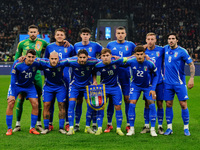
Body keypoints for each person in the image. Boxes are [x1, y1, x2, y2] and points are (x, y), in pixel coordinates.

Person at [13, 25, 48, 132]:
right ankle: (17, 124)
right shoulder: (22, 44)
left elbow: (50, 50)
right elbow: (16, 58)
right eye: (31, 32)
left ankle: (38, 123)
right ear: (28, 33)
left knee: (38, 99)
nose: (33, 33)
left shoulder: (43, 43)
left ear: (38, 33)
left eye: (35, 32)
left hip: (36, 74)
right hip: (23, 74)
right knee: (21, 98)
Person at [163, 33, 195, 136]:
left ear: (177, 40)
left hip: (179, 83)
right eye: (169, 38)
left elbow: (191, 64)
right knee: (168, 104)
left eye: (173, 38)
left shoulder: (182, 51)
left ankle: (186, 128)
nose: (171, 40)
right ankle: (169, 128)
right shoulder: (165, 49)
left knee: (183, 104)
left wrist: (191, 78)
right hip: (167, 83)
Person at [105, 26, 136, 133]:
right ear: (115, 34)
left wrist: (123, 59)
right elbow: (106, 56)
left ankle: (128, 124)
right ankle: (109, 124)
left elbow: (136, 55)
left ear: (125, 34)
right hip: (113, 76)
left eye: (122, 33)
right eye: (118, 33)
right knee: (111, 100)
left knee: (127, 99)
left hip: (125, 75)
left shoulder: (130, 45)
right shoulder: (110, 45)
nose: (120, 35)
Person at [44, 28, 75, 132]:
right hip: (52, 78)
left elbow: (74, 61)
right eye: (58, 34)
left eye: (62, 34)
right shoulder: (49, 47)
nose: (60, 36)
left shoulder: (70, 47)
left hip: (66, 78)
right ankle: (50, 123)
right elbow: (45, 62)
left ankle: (66, 123)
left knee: (64, 101)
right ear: (55, 36)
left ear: (64, 36)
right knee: (50, 101)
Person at [73, 27, 103, 132]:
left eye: (87, 34)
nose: (85, 36)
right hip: (78, 78)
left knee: (92, 102)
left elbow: (104, 53)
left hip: (91, 78)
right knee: (79, 101)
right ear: (80, 35)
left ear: (90, 36)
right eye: (83, 34)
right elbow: (72, 58)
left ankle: (93, 124)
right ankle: (76, 124)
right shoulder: (76, 46)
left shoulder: (95, 45)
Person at [93, 48, 128, 136]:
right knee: (101, 107)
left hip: (115, 87)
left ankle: (118, 128)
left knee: (118, 107)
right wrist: (94, 80)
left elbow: (127, 59)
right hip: (103, 88)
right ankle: (99, 128)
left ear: (110, 56)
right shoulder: (98, 65)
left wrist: (119, 57)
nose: (105, 58)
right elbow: (93, 71)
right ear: (101, 57)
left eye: (107, 56)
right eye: (104, 56)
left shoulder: (116, 62)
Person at [6, 49, 41, 135]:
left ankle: (32, 128)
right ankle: (9, 128)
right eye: (29, 57)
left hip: (29, 86)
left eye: (33, 57)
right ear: (25, 56)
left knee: (36, 104)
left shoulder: (36, 63)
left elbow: (48, 62)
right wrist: (13, 94)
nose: (31, 59)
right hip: (17, 85)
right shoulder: (18, 63)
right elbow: (13, 80)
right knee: (11, 102)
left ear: (35, 57)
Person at [126, 45, 158, 137]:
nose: (139, 56)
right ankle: (132, 129)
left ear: (144, 54)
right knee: (131, 104)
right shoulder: (131, 61)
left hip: (148, 87)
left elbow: (156, 75)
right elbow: (121, 62)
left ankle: (152, 129)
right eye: (137, 54)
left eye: (141, 54)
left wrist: (153, 88)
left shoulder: (150, 63)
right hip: (135, 86)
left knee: (152, 104)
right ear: (135, 55)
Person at [65, 49, 99, 135]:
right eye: (80, 57)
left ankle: (87, 127)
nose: (82, 59)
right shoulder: (72, 61)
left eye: (84, 57)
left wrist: (94, 80)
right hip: (74, 86)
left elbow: (103, 62)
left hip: (87, 86)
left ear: (88, 57)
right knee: (72, 104)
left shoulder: (92, 61)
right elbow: (60, 61)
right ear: (77, 57)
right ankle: (71, 128)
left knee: (90, 105)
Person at [39, 51, 70, 134]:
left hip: (60, 87)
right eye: (52, 59)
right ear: (49, 58)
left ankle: (61, 128)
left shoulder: (62, 63)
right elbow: (33, 59)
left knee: (62, 105)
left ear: (58, 59)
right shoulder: (44, 62)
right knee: (46, 105)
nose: (53, 61)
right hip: (48, 87)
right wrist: (22, 58)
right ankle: (46, 128)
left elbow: (73, 59)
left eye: (55, 59)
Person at [140, 33, 165, 135]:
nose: (150, 41)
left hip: (159, 82)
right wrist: (142, 48)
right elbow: (134, 55)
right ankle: (146, 126)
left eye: (152, 39)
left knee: (159, 103)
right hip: (147, 82)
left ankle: (160, 126)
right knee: (147, 103)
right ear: (146, 40)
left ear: (155, 40)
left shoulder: (161, 50)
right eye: (148, 39)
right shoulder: (143, 51)